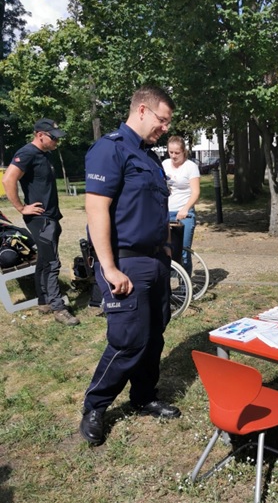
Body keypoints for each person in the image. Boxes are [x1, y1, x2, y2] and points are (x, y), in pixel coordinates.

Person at [80, 85, 180, 446]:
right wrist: (109, 267)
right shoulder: (110, 149)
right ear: (141, 110)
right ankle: (96, 406)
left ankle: (143, 396)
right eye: (162, 120)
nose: (165, 128)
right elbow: (96, 210)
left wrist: (167, 249)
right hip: (125, 261)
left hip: (155, 260)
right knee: (127, 341)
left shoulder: (150, 158)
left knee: (154, 333)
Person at [2, 119, 80, 326]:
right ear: (39, 135)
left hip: (51, 217)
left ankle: (44, 301)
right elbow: (8, 179)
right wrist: (21, 207)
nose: (56, 141)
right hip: (40, 219)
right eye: (53, 137)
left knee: (44, 260)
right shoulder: (27, 153)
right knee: (53, 262)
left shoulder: (44, 154)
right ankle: (58, 308)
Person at [162, 136, 200, 275]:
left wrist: (185, 209)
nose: (173, 156)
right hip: (166, 212)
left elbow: (195, 192)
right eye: (171, 152)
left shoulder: (191, 167)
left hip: (184, 213)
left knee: (183, 251)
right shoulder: (165, 164)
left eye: (177, 153)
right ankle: (167, 288)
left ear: (184, 151)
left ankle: (185, 289)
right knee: (165, 250)